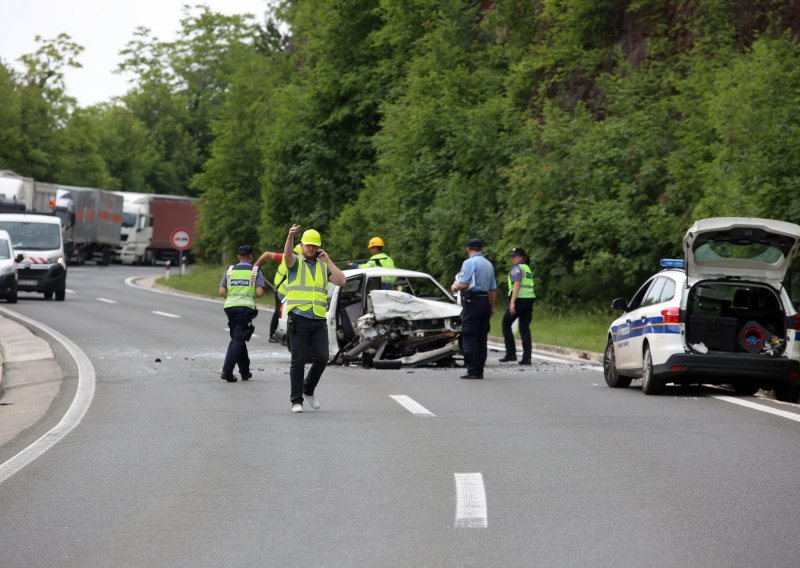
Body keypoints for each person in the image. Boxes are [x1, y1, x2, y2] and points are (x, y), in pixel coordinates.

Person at [283, 224, 346, 413]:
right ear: (302, 246)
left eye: (314, 246)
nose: (310, 249)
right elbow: (287, 256)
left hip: (318, 319)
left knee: (322, 358)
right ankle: (296, 400)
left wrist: (328, 260)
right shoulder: (295, 262)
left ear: (318, 247)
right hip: (298, 317)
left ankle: (308, 389)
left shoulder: (322, 266)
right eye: (308, 245)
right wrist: (290, 237)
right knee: (298, 360)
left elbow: (342, 280)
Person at [219, 245, 266, 382]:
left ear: (238, 256)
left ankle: (245, 372)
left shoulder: (229, 270)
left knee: (238, 338)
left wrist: (233, 298)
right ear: (251, 256)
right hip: (245, 309)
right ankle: (227, 371)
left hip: (230, 308)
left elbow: (222, 292)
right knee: (238, 338)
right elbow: (260, 293)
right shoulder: (255, 271)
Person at [451, 238, 497, 379]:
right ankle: (480, 370)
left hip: (472, 302)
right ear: (481, 249)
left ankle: (472, 370)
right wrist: (492, 306)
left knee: (470, 335)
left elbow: (464, 284)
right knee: (481, 337)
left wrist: (455, 286)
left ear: (468, 249)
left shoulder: (469, 263)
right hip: (484, 302)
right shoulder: (488, 264)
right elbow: (493, 289)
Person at [255, 245, 301, 342]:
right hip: (282, 291)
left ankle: (284, 334)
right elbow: (266, 254)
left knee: (284, 313)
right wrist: (255, 268)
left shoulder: (288, 257)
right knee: (280, 312)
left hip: (286, 291)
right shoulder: (290, 259)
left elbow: (267, 254)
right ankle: (273, 335)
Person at [499, 247, 536, 365]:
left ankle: (511, 354)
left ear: (521, 257)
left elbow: (517, 284)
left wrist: (512, 302)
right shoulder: (527, 268)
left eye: (515, 256)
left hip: (519, 300)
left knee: (505, 324)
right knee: (524, 328)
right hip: (529, 301)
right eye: (512, 256)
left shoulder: (517, 268)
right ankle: (527, 358)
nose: (512, 258)